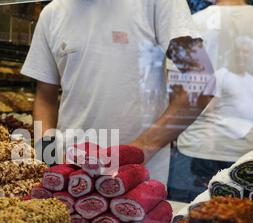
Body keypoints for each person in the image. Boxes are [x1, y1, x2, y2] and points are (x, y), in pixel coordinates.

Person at [21, 0, 214, 184]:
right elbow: (45, 97)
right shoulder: (52, 14)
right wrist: (49, 159)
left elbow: (201, 81)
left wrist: (138, 151)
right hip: (70, 176)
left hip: (138, 182)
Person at [167, 0, 253, 202]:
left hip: (194, 147)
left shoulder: (192, 24)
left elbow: (175, 89)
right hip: (248, 152)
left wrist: (171, 133)